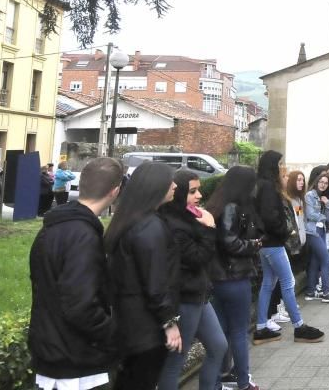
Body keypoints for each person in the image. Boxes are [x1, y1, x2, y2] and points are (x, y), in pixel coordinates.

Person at [28, 157, 123, 390]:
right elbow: (80, 306)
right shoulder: (83, 236)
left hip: (52, 353)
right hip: (77, 364)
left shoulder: (51, 229)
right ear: (115, 191)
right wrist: (114, 335)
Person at [104, 162, 181, 390]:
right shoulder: (149, 227)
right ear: (155, 186)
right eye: (170, 181)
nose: (175, 185)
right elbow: (155, 281)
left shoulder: (131, 221)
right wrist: (169, 323)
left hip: (130, 323)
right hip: (146, 328)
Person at [157, 170, 228, 390]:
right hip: (185, 298)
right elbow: (196, 258)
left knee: (218, 346)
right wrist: (210, 228)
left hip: (199, 294)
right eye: (192, 191)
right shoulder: (172, 222)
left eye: (199, 190)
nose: (198, 196)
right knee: (175, 361)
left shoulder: (190, 215)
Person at [253, 151, 325, 345]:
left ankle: (261, 327)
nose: (281, 168)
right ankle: (299, 326)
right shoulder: (268, 187)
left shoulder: (261, 185)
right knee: (288, 282)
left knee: (268, 283)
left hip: (266, 243)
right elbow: (270, 217)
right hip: (274, 242)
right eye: (279, 164)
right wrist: (285, 231)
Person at [207, 166, 266, 390]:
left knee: (220, 334)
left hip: (218, 278)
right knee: (239, 332)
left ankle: (217, 379)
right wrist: (253, 245)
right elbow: (230, 242)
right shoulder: (232, 207)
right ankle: (242, 380)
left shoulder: (217, 205)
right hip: (234, 276)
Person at [304, 170, 329, 303]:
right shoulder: (310, 195)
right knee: (326, 259)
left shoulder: (325, 197)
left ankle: (311, 290)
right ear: (316, 182)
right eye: (321, 182)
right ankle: (326, 291)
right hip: (312, 231)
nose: (323, 185)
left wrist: (326, 205)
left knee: (315, 261)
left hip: (321, 231)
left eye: (326, 183)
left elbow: (328, 216)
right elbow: (310, 215)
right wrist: (325, 219)